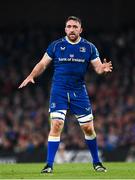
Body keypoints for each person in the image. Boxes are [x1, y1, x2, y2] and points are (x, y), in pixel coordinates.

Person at [19, 16, 113, 173]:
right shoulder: (56, 45)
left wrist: (102, 69)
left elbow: (97, 67)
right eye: (69, 26)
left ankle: (97, 163)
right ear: (65, 29)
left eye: (75, 27)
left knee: (89, 129)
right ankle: (49, 165)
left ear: (80, 30)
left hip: (79, 91)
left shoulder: (89, 47)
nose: (72, 29)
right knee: (56, 125)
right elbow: (42, 63)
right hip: (59, 90)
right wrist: (31, 75)